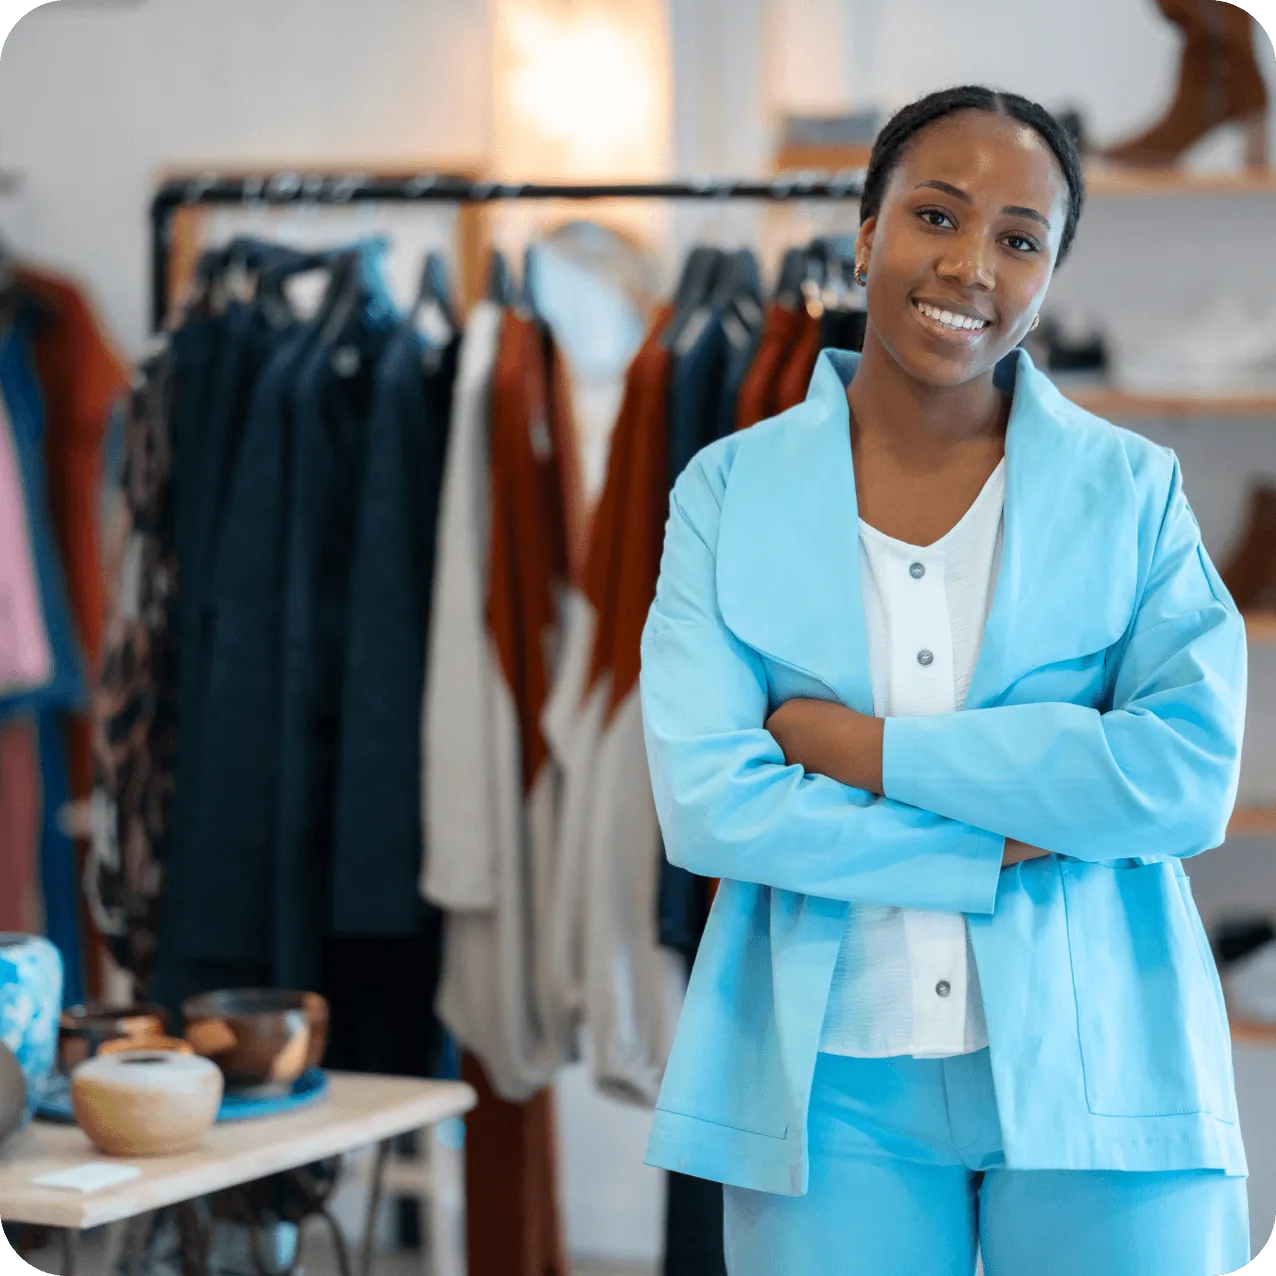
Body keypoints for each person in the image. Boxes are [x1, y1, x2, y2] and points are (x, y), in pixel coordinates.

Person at [637, 85, 1251, 1276]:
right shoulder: (727, 490)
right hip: (829, 1089)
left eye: (1020, 239)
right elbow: (710, 803)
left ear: (1048, 272)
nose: (971, 265)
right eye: (937, 215)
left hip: (1108, 1065)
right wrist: (1000, 836)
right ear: (864, 235)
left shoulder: (1132, 491)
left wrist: (860, 751)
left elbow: (1181, 778)